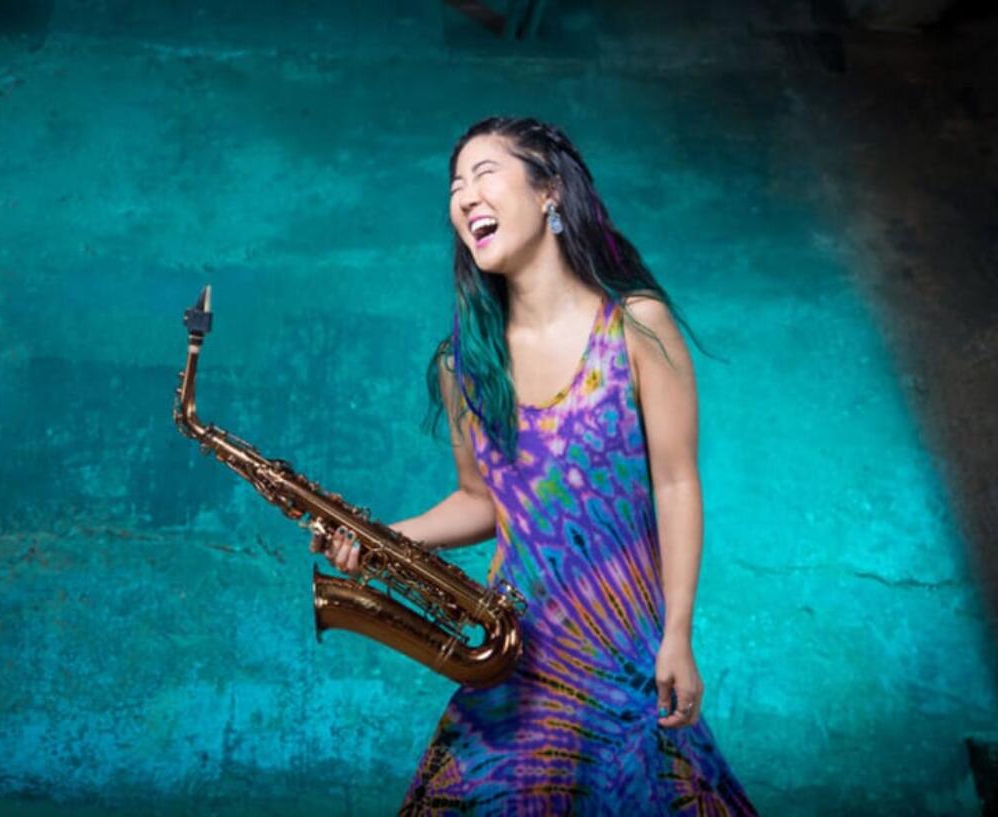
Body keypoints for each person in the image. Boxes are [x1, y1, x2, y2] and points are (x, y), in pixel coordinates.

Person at [310, 116, 759, 816]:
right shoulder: (464, 365)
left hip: (628, 662)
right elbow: (482, 501)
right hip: (516, 660)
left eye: (484, 172)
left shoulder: (636, 325)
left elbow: (676, 483)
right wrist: (382, 538)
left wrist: (678, 632)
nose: (463, 197)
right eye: (455, 185)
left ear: (549, 189)